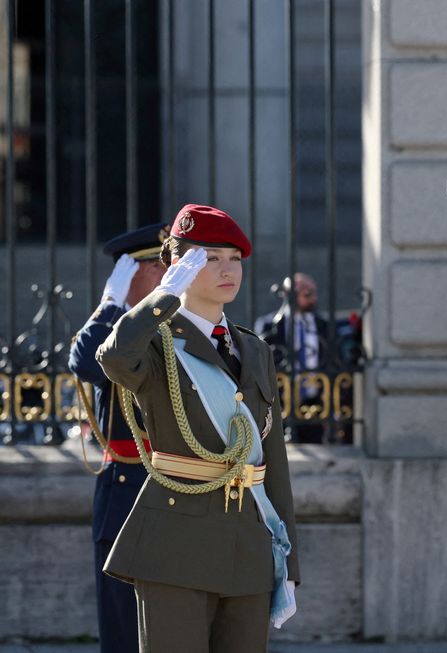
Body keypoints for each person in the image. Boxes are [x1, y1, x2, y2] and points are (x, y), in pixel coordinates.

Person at [96, 204, 300, 652]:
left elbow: (272, 459)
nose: (227, 270)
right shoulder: (155, 341)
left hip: (249, 543)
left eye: (234, 259)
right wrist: (160, 300)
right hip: (175, 547)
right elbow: (111, 358)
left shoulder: (255, 348)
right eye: (210, 259)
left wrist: (288, 557)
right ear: (178, 267)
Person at [68, 222, 168, 653]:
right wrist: (111, 301)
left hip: (176, 484)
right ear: (132, 275)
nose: (169, 274)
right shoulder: (115, 327)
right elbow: (86, 361)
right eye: (157, 266)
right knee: (124, 623)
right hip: (126, 487)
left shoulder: (173, 324)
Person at [255, 273, 331, 443]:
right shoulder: (270, 325)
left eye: (314, 293)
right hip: (279, 401)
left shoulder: (323, 325)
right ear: (290, 295)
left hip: (315, 402)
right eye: (307, 294)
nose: (314, 299)